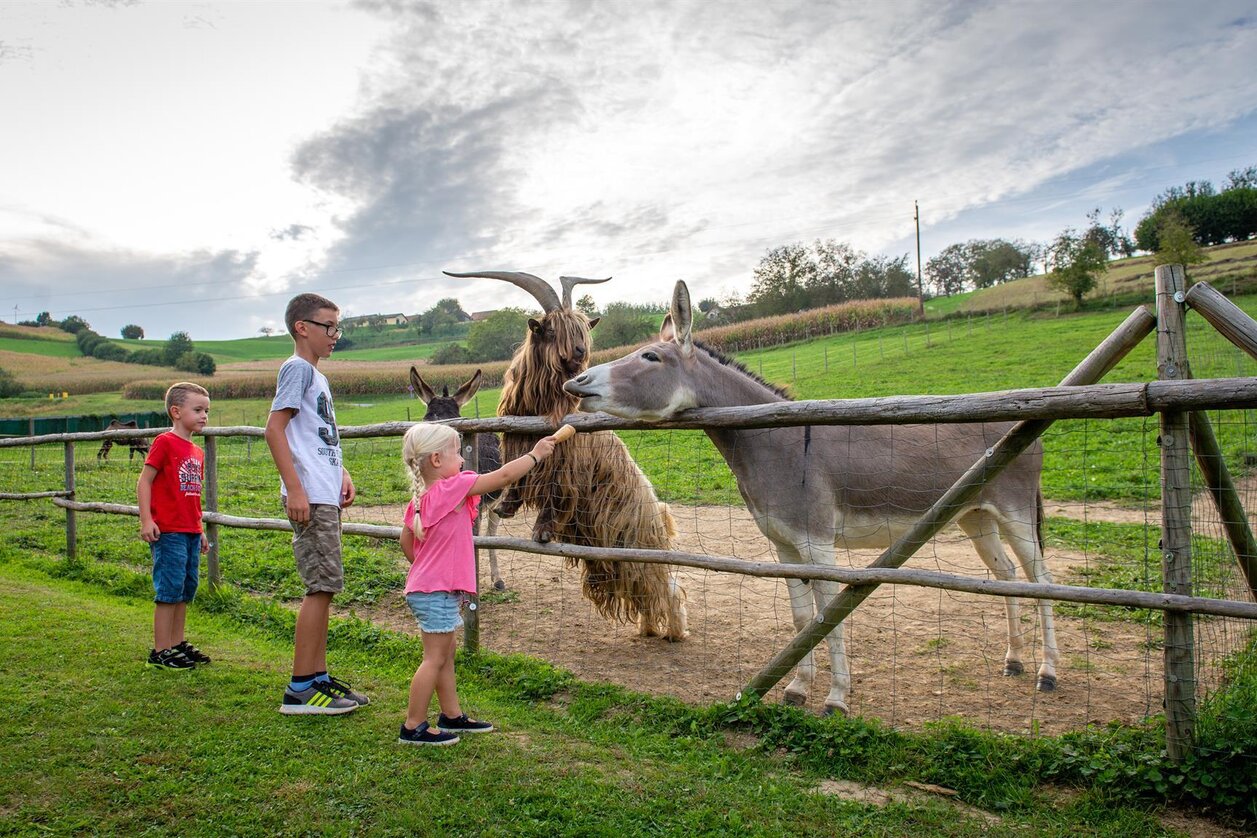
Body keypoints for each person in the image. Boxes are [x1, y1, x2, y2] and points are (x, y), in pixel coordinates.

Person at [397, 422, 557, 745]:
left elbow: (406, 542)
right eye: (457, 452)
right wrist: (536, 455)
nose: (462, 459)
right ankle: (413, 726)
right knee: (434, 658)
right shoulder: (453, 487)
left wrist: (427, 568)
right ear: (437, 460)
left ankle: (451, 715)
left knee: (445, 653)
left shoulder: (420, 499)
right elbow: (504, 476)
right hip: (435, 591)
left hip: (426, 588)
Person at [265, 293, 366, 715]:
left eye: (337, 327)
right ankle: (301, 688)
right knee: (320, 588)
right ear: (302, 327)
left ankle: (318, 677)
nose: (335, 335)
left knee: (326, 587)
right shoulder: (298, 369)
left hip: (325, 492)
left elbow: (317, 435)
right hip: (311, 496)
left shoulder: (316, 376)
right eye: (328, 326)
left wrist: (341, 472)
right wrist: (296, 489)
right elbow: (274, 429)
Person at [137, 382, 212, 671]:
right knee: (169, 589)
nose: (204, 416)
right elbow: (145, 482)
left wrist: (199, 529)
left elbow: (193, 495)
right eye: (198, 410)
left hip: (190, 531)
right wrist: (147, 519)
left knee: (185, 588)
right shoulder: (164, 442)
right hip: (168, 531)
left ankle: (177, 644)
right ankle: (160, 651)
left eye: (206, 411)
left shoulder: (197, 451)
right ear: (176, 412)